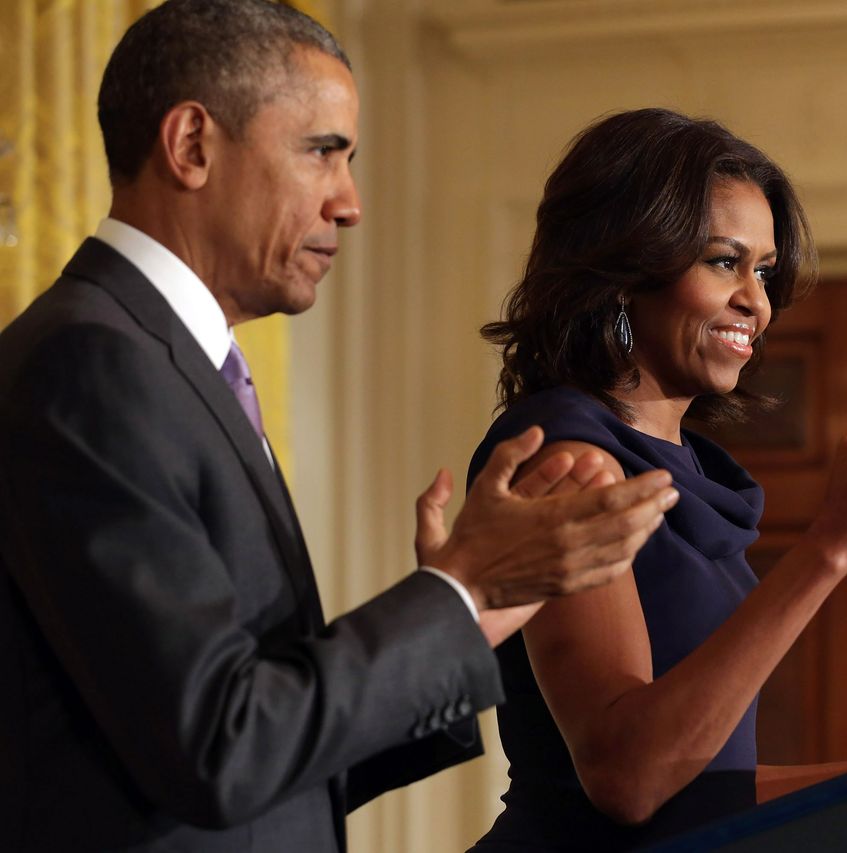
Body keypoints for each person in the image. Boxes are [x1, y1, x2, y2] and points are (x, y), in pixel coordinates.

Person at [0, 4, 679, 852]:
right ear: (191, 146)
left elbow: (263, 756)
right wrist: (457, 594)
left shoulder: (175, 368)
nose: (351, 204)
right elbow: (219, 748)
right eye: (323, 152)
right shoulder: (92, 367)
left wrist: (487, 606)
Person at [466, 108, 847, 850]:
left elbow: (701, 784)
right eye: (725, 261)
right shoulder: (567, 461)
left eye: (765, 270)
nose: (758, 299)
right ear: (626, 272)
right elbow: (628, 776)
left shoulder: (688, 471)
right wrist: (830, 546)